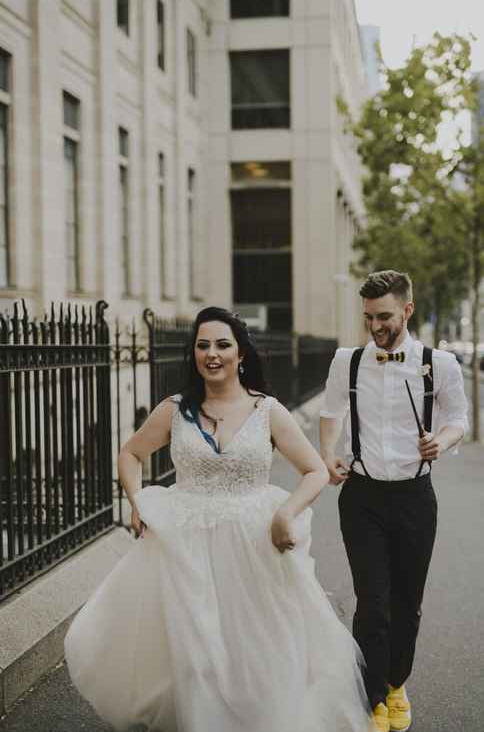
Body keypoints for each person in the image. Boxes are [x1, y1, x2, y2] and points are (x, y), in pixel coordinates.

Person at [65, 306, 371, 732]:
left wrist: (287, 511)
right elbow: (131, 454)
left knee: (255, 651)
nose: (212, 353)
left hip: (254, 548)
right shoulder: (174, 410)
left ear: (241, 353)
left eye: (223, 345)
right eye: (203, 345)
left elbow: (316, 470)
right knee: (196, 655)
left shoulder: (268, 411)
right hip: (186, 549)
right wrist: (137, 502)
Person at [319, 271, 468, 732]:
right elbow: (330, 412)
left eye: (384, 316)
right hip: (361, 495)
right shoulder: (348, 359)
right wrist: (328, 457)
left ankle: (397, 681)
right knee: (372, 601)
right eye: (368, 318)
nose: (375, 327)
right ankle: (373, 696)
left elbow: (458, 419)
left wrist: (439, 443)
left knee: (408, 602)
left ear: (407, 310)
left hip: (414, 497)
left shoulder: (438, 364)